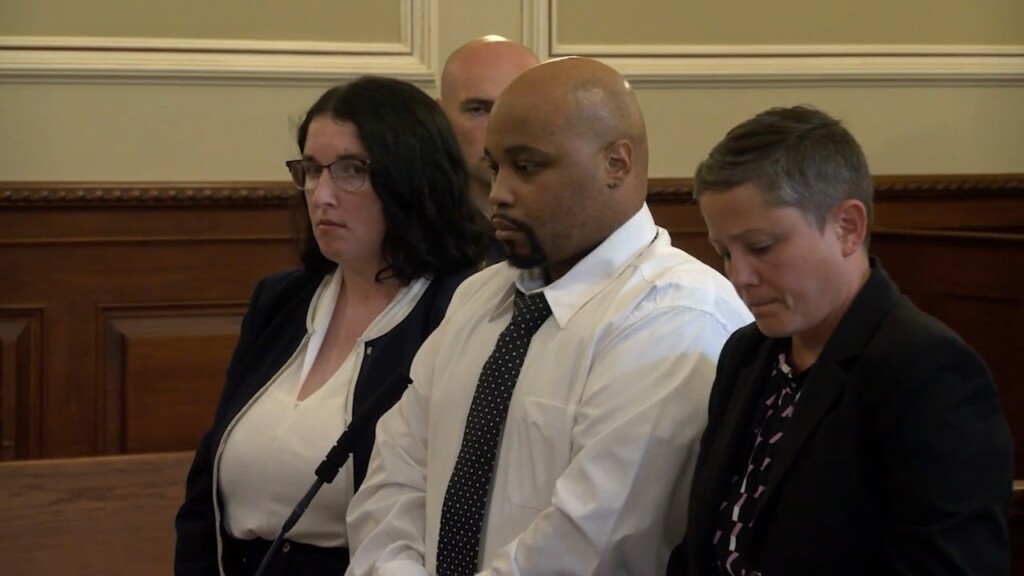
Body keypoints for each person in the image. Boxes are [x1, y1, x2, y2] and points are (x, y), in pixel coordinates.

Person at [346, 57, 752, 575]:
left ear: (617, 164)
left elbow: (590, 544)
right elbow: (392, 484)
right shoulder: (478, 298)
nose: (499, 192)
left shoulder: (676, 317)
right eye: (495, 167)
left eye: (527, 167)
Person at [678, 105, 1013, 575]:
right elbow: (705, 544)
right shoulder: (746, 353)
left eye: (760, 247)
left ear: (847, 228)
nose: (739, 276)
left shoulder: (928, 372)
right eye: (724, 252)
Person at [174, 76, 487, 576]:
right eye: (311, 170)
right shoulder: (281, 300)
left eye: (350, 171)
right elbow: (203, 491)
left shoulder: (459, 310)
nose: (321, 195)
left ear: (411, 178)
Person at [438, 35, 539, 263]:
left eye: (518, 108)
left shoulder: (575, 227)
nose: (499, 129)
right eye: (478, 110)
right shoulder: (414, 233)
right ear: (441, 117)